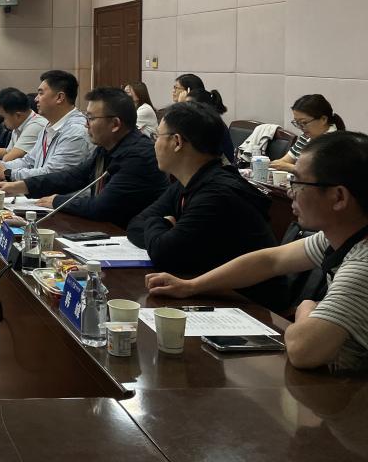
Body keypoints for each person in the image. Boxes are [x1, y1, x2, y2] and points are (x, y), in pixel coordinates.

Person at [147, 131, 368, 373]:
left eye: (298, 183)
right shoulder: (338, 236)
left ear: (338, 197)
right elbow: (271, 260)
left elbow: (302, 349)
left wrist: (306, 308)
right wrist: (190, 286)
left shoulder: (361, 266)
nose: (290, 192)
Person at [128, 101, 287, 312]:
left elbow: (163, 254)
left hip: (251, 308)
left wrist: (160, 223)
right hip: (214, 294)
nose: (154, 144)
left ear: (177, 142)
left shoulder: (217, 194)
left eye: (157, 137)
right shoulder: (189, 181)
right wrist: (163, 227)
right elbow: (135, 226)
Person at [0, 87, 167, 227]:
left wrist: (57, 200)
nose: (86, 124)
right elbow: (74, 176)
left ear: (115, 124)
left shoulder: (139, 156)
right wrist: (23, 186)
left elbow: (102, 206)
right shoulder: (107, 147)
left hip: (130, 237)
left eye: (91, 118)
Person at [0, 70, 93, 183]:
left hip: (60, 194)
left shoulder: (76, 131)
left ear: (60, 97)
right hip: (41, 191)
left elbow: (52, 174)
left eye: (41, 93)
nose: (36, 99)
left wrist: (8, 173)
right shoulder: (49, 125)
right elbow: (29, 161)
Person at [271, 94, 345, 174]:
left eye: (304, 122)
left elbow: (325, 174)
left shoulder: (336, 142)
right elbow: (283, 161)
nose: (300, 127)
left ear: (323, 119)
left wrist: (292, 168)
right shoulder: (305, 137)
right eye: (297, 123)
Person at [185, 87, 236, 164]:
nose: (185, 109)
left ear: (203, 107)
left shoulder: (211, 125)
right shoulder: (200, 123)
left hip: (222, 167)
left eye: (189, 105)